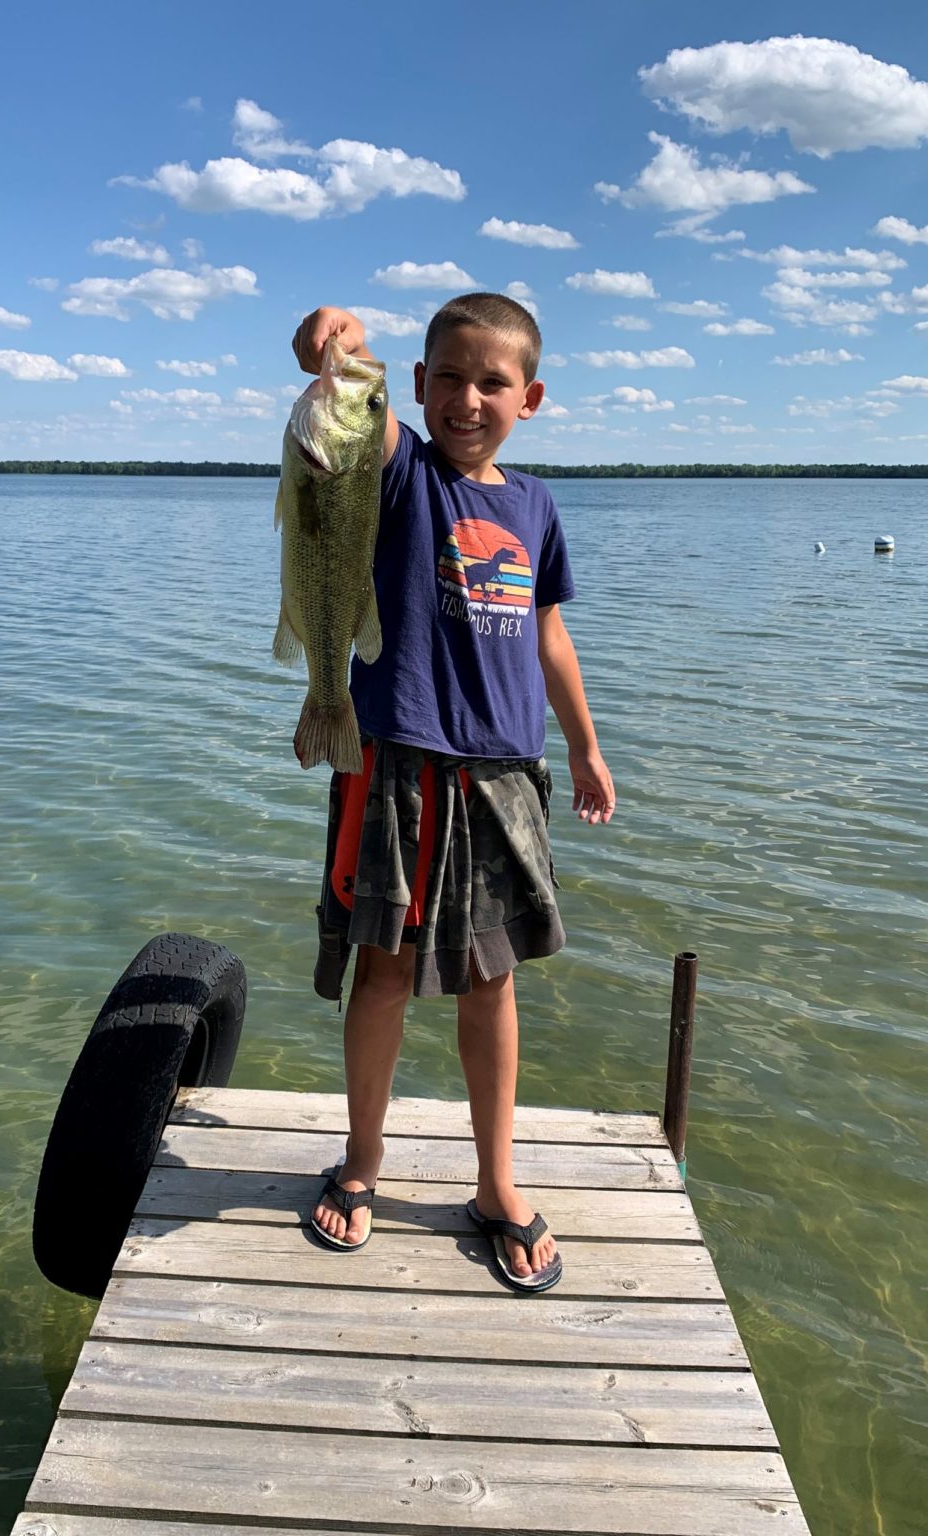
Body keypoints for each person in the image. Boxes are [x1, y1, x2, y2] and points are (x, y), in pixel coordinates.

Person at [290, 293, 615, 1293]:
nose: (468, 399)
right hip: (395, 763)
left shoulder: (536, 505)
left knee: (492, 981)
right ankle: (363, 1162)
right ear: (421, 386)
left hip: (505, 773)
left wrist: (588, 749)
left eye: (494, 382)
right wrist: (332, 336)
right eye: (448, 379)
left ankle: (494, 1185)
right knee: (382, 973)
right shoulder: (405, 476)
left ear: (533, 396)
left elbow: (550, 636)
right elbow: (350, 391)